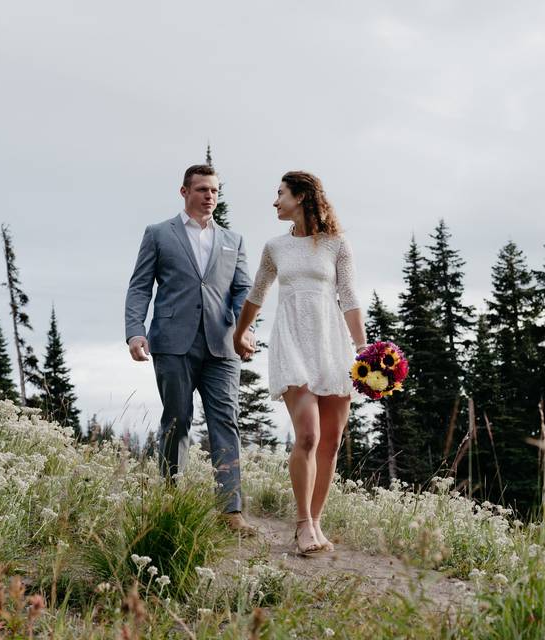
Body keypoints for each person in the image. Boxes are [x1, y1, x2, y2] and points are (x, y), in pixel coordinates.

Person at [233, 171, 366, 555]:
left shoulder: (336, 245)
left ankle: (317, 521)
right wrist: (241, 331)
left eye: (280, 194)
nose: (275, 202)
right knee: (307, 435)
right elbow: (257, 292)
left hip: (333, 345)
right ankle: (303, 523)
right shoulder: (275, 247)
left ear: (302, 197)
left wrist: (364, 349)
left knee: (332, 440)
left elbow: (350, 297)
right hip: (292, 342)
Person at [125, 163, 258, 536]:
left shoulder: (234, 240)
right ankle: (169, 499)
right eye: (201, 189)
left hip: (223, 346)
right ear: (184, 192)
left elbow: (242, 291)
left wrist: (244, 331)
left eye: (214, 190)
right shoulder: (158, 234)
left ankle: (230, 510)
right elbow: (140, 287)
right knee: (177, 420)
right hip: (172, 344)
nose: (209, 196)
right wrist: (135, 332)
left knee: (225, 422)